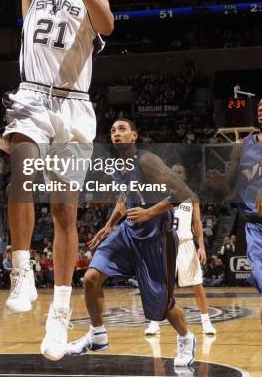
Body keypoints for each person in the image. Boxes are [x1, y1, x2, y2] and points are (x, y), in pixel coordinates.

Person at [0, 0, 113, 361]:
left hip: (75, 105)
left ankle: (60, 314)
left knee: (64, 210)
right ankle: (20, 272)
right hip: (33, 96)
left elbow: (106, 23)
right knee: (19, 157)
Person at [66, 118, 196, 368]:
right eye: (113, 130)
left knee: (163, 303)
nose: (116, 133)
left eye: (122, 129)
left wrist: (149, 212)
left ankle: (186, 338)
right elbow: (125, 198)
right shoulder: (117, 165)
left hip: (158, 235)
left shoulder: (147, 160)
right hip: (128, 231)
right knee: (91, 277)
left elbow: (184, 192)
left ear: (135, 135)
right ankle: (97, 334)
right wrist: (110, 224)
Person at [144, 164, 216, 336]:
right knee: (160, 286)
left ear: (184, 176)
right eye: (173, 172)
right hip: (165, 243)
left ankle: (206, 321)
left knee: (197, 284)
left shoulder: (192, 196)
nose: (175, 174)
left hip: (185, 243)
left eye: (179, 172)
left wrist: (202, 246)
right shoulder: (161, 194)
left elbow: (197, 222)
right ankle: (154, 322)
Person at [207, 99, 262, 321]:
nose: (260, 112)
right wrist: (218, 184)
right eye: (259, 109)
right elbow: (230, 185)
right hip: (254, 225)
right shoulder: (241, 145)